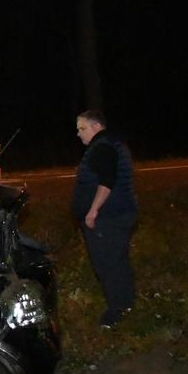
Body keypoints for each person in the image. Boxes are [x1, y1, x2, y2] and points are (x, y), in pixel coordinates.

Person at [73, 109, 138, 328]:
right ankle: (128, 305)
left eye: (82, 128)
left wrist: (92, 211)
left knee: (107, 264)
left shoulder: (102, 148)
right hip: (119, 214)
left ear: (96, 126)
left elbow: (106, 183)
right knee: (118, 261)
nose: (78, 133)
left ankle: (117, 312)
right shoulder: (111, 144)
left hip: (108, 218)